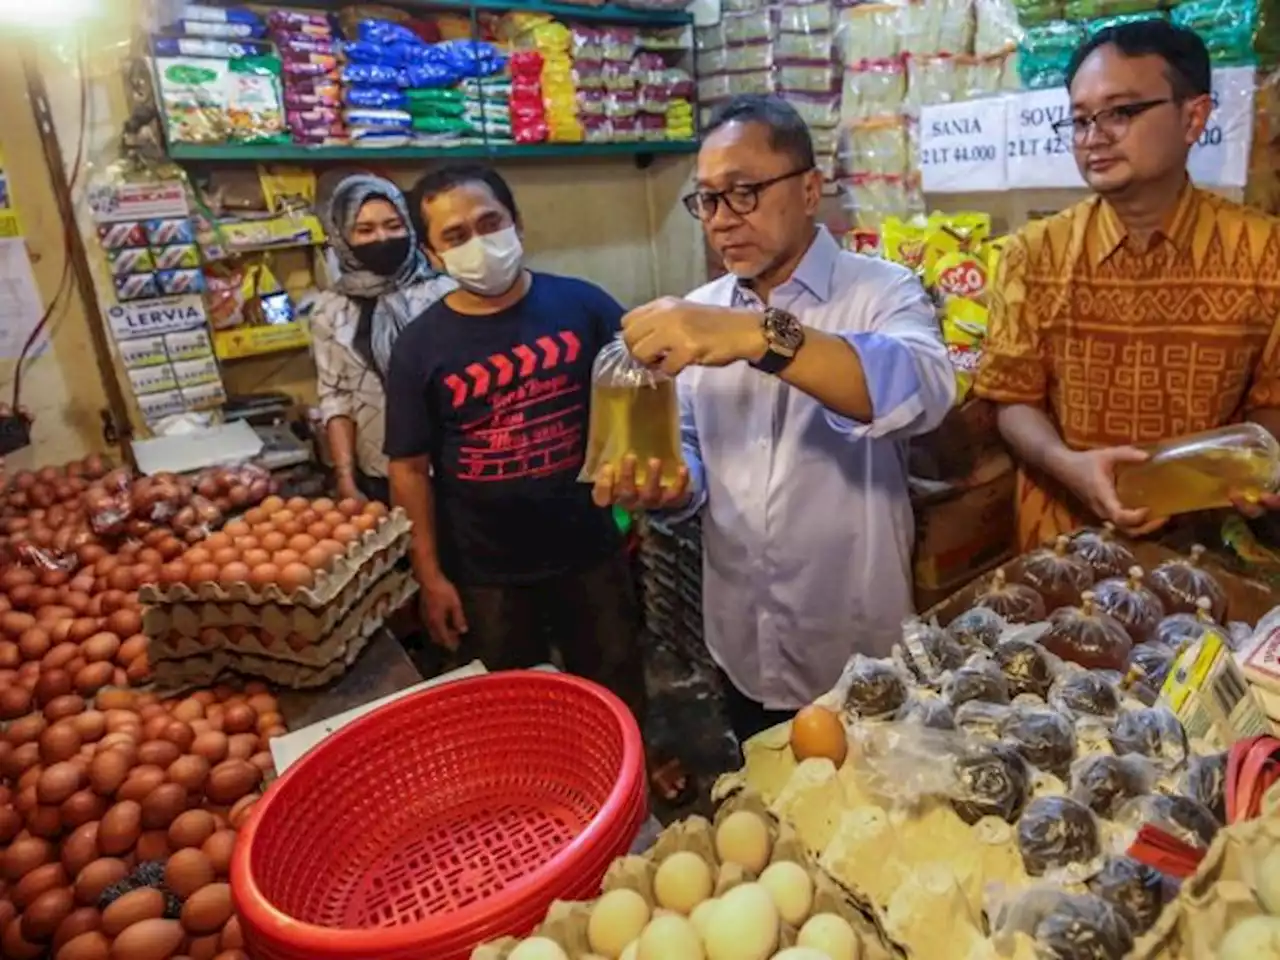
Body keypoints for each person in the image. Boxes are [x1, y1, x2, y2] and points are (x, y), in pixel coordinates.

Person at [591, 94, 956, 744]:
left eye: (745, 193)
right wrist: (673, 484)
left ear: (810, 190)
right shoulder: (700, 313)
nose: (723, 220)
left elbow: (921, 389)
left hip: (854, 646)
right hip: (743, 641)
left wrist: (762, 335)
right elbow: (691, 447)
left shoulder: (879, 291)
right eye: (706, 200)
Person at [384, 164, 690, 801]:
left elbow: (643, 388)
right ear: (435, 254)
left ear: (518, 223)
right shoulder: (420, 346)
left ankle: (631, 777)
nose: (479, 241)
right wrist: (431, 575)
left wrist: (649, 482)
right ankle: (549, 802)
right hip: (486, 567)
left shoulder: (582, 305)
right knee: (514, 701)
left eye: (490, 222)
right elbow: (408, 468)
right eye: (456, 234)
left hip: (591, 545)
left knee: (615, 673)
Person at [974, 21, 1280, 553]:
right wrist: (1067, 465)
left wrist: (1258, 466)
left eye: (1120, 112)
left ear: (1193, 117)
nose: (1095, 136)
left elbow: (1272, 400)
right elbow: (1012, 400)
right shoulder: (1032, 253)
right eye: (1080, 119)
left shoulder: (1265, 252)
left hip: (1212, 550)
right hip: (1064, 544)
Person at [311, 174, 455, 504]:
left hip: (454, 464)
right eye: (365, 230)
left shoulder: (445, 294)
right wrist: (345, 476)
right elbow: (336, 397)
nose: (382, 238)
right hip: (380, 470)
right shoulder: (330, 311)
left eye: (393, 225)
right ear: (341, 237)